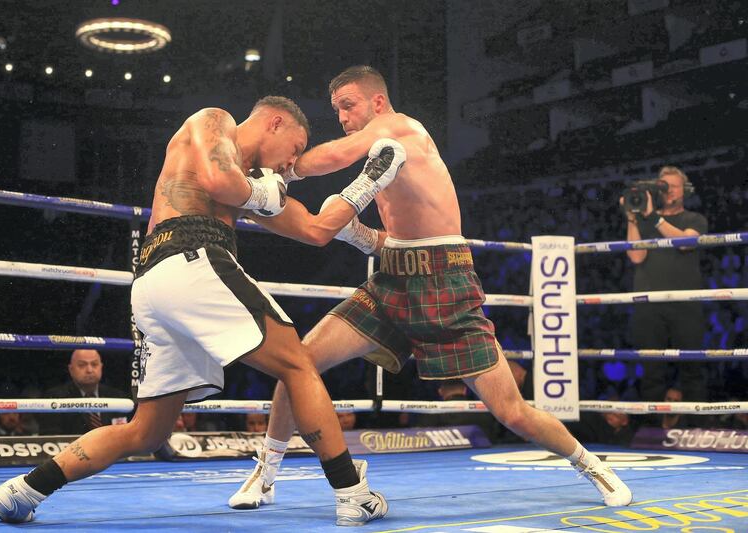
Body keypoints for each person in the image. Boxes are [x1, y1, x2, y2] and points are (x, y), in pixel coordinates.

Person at [0, 96, 403, 526]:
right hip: (190, 256)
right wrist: (262, 191)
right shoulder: (214, 122)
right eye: (295, 149)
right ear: (274, 123)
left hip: (155, 286)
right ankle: (353, 494)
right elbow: (220, 180)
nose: (290, 163)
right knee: (298, 364)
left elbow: (315, 230)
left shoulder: (250, 184)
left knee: (146, 431)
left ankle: (24, 490)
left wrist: (367, 188)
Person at [229, 66, 632, 510]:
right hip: (392, 280)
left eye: (349, 105)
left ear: (378, 102)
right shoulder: (382, 160)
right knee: (299, 362)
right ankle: (264, 475)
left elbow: (335, 155)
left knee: (512, 411)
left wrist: (283, 166)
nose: (342, 117)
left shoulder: (400, 129)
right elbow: (400, 237)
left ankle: (591, 464)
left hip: (446, 281)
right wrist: (363, 237)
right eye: (337, 110)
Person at [621, 166, 708, 406]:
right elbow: (636, 257)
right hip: (650, 305)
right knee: (651, 371)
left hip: (685, 305)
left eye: (674, 186)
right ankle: (650, 431)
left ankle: (696, 429)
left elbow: (685, 243)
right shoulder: (644, 220)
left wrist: (654, 219)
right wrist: (632, 216)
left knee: (692, 368)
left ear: (685, 190)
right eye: (663, 186)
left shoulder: (694, 219)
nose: (668, 191)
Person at [39, 349, 130, 435]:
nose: (89, 370)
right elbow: (51, 437)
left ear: (101, 367)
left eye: (94, 364)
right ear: (71, 369)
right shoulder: (55, 397)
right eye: (82, 365)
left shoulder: (118, 397)